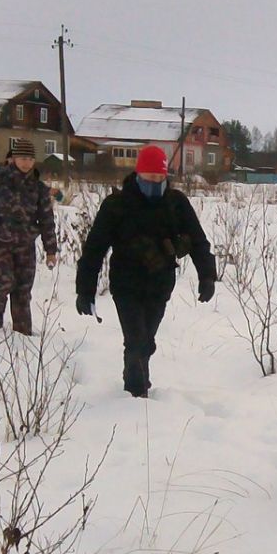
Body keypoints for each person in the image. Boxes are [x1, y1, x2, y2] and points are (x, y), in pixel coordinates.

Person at [75, 144, 217, 398]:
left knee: (147, 340)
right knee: (136, 339)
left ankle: (139, 376)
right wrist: (85, 289)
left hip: (160, 284)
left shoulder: (176, 204)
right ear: (138, 175)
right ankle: (135, 391)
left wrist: (207, 276)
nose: (155, 183)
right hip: (126, 284)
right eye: (149, 178)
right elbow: (94, 248)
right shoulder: (117, 205)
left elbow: (198, 240)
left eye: (159, 178)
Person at [0, 138, 58, 334]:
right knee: (4, 282)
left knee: (23, 290)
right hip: (0, 243)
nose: (26, 163)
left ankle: (23, 334)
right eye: (22, 158)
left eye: (30, 159)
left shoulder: (38, 188)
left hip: (25, 246)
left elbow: (46, 220)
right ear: (13, 159)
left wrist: (50, 250)